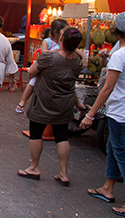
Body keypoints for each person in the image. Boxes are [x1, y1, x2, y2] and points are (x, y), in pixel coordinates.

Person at [17, 27, 85, 186]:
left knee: (36, 133)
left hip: (44, 101)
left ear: (61, 40)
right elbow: (82, 59)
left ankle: (34, 167)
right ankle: (63, 172)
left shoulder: (48, 58)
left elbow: (31, 72)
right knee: (61, 136)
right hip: (65, 103)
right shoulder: (78, 61)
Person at [83, 13, 125, 214]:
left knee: (121, 153)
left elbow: (107, 88)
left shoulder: (119, 55)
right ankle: (107, 188)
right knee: (113, 149)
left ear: (116, 32)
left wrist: (90, 114)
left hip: (120, 113)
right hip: (119, 112)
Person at [16, 19, 71, 113]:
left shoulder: (64, 43)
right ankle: (22, 102)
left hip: (57, 68)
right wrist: (52, 52)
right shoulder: (47, 41)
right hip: (44, 66)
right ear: (56, 32)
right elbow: (44, 52)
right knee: (33, 82)